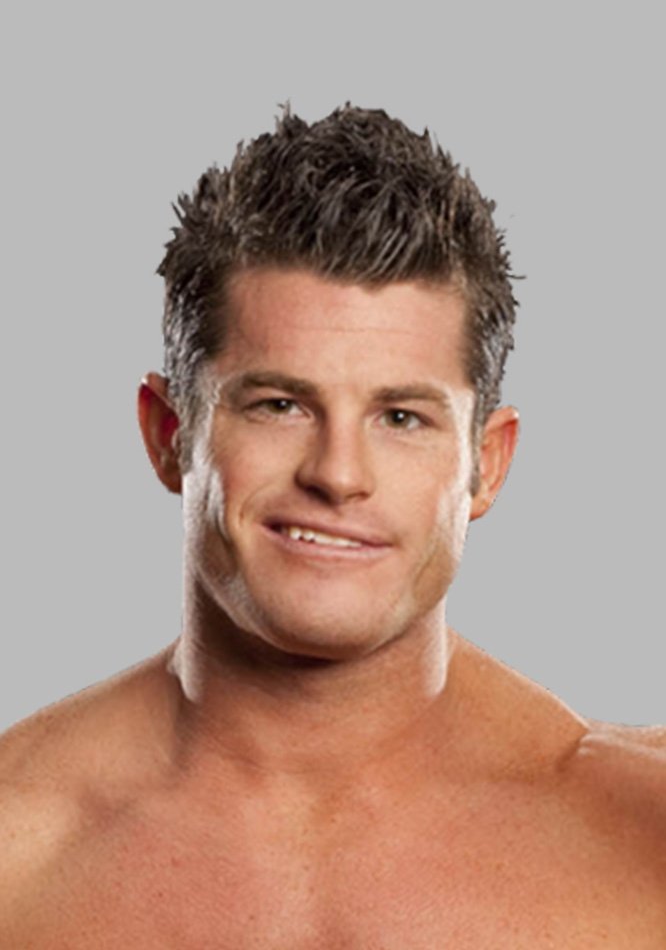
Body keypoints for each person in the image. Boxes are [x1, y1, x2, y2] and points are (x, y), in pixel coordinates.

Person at [1, 105, 664, 948]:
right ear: (169, 435)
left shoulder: (642, 832)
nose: (338, 474)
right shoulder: (18, 852)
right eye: (280, 405)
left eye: (402, 417)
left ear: (487, 464)